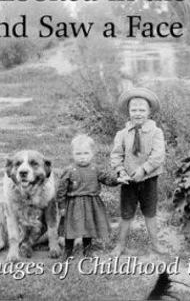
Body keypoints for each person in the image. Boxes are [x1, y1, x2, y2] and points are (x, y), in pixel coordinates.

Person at [111, 87, 166, 256]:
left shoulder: (156, 132)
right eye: (134, 110)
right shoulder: (122, 134)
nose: (138, 113)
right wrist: (120, 170)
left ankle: (155, 243)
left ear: (149, 112)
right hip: (128, 180)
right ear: (128, 112)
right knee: (126, 213)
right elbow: (116, 155)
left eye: (142, 110)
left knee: (150, 212)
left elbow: (158, 156)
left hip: (148, 179)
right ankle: (120, 245)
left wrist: (144, 170)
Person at [57, 134, 117, 259]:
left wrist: (118, 180)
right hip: (73, 204)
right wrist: (61, 206)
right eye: (78, 154)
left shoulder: (95, 169)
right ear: (73, 154)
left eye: (85, 153)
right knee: (70, 228)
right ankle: (68, 250)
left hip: (91, 203)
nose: (82, 157)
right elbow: (61, 190)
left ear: (92, 154)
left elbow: (106, 179)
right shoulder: (69, 170)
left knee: (89, 227)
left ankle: (87, 250)